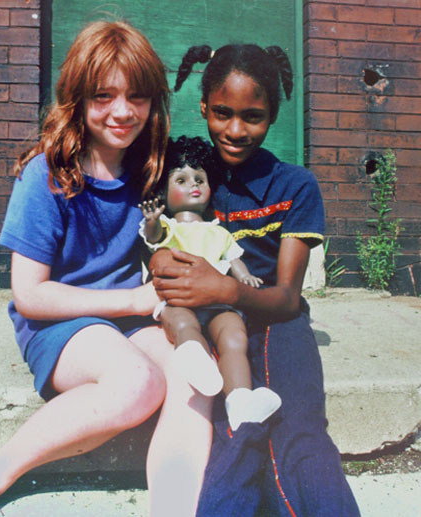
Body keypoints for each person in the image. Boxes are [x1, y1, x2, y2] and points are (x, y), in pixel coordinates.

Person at [0, 22, 213, 517]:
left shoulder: (151, 167)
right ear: (77, 98)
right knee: (138, 384)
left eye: (138, 96)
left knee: (195, 370)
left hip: (128, 320)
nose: (123, 111)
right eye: (103, 96)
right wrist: (133, 299)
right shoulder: (47, 174)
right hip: (58, 322)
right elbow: (31, 295)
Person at [150, 44, 361, 516]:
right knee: (229, 429)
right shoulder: (187, 174)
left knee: (299, 430)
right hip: (201, 321)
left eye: (253, 117)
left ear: (273, 116)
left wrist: (226, 289)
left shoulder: (294, 186)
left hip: (272, 322)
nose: (236, 130)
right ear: (204, 106)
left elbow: (287, 298)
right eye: (222, 113)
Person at [140, 135, 281, 430]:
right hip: (180, 299)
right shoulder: (169, 226)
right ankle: (195, 358)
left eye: (199, 179)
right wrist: (153, 220)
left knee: (234, 336)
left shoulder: (219, 232)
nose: (193, 184)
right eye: (181, 180)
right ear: (164, 194)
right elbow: (154, 239)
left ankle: (241, 400)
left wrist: (244, 276)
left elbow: (233, 260)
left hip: (218, 302)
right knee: (182, 324)